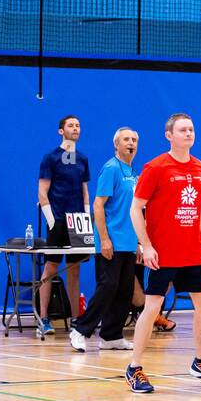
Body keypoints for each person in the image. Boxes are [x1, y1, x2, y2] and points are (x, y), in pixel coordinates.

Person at [127, 113, 201, 393]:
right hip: (163, 252)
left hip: (192, 252)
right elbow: (136, 208)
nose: (188, 134)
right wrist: (146, 245)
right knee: (152, 306)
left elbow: (197, 207)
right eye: (182, 130)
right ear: (169, 135)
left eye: (191, 129)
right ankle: (134, 367)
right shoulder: (155, 167)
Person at [70, 128, 140, 353]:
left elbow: (135, 210)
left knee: (124, 290)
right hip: (111, 241)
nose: (131, 143)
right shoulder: (111, 168)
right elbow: (98, 205)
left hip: (129, 243)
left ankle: (111, 336)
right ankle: (80, 330)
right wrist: (104, 239)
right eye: (126, 140)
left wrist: (139, 242)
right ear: (116, 145)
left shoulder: (132, 172)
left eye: (135, 140)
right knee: (108, 286)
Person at [37, 115, 90, 337]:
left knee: (75, 270)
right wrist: (51, 220)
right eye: (71, 125)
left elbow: (85, 190)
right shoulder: (50, 158)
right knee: (51, 268)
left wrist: (87, 216)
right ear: (61, 131)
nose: (75, 128)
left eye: (78, 125)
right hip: (57, 219)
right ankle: (44, 318)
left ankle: (76, 319)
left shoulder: (83, 159)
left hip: (78, 222)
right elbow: (42, 191)